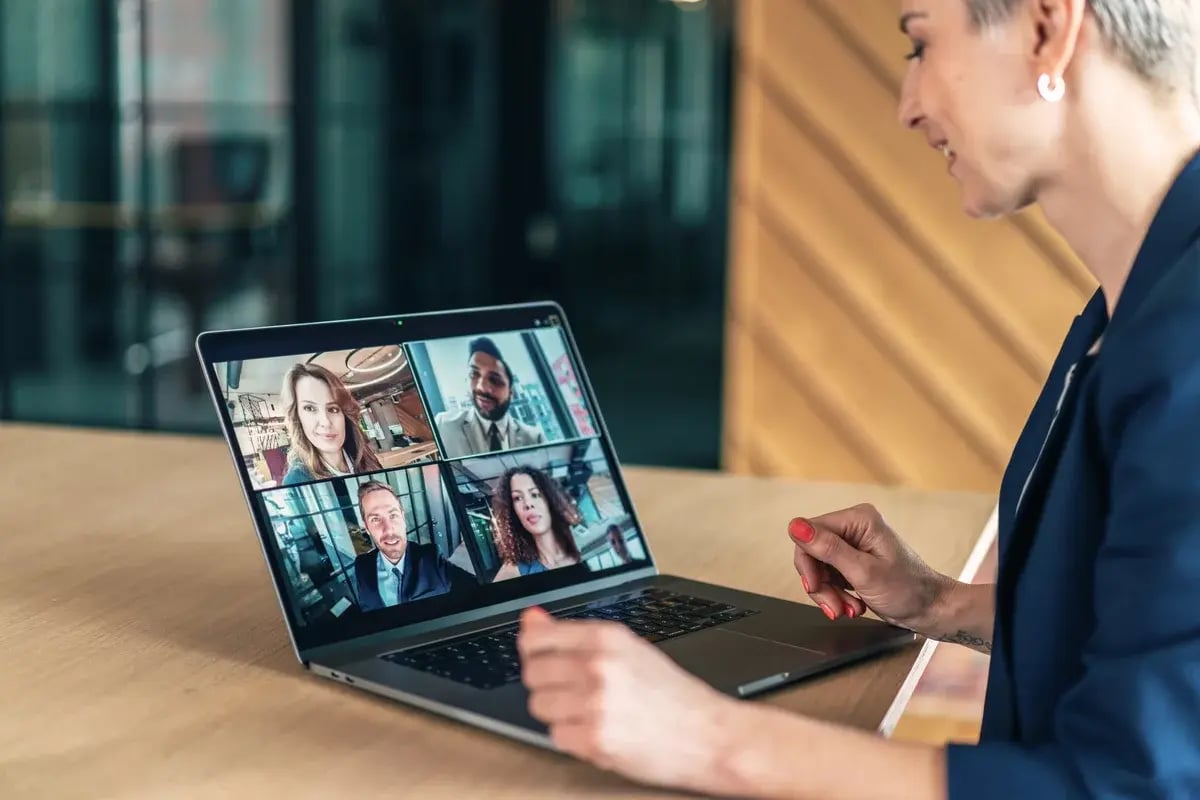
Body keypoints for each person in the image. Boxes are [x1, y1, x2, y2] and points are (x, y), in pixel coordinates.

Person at [516, 1, 1200, 797]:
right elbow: (1134, 628)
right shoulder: (1130, 305)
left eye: (920, 45)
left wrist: (706, 738)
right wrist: (942, 603)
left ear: (1047, 30)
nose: (908, 105)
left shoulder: (1183, 340)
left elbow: (1134, 785)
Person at [352, 480, 475, 610]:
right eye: (375, 519)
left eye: (393, 515)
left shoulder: (431, 557)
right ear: (367, 527)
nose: (388, 529)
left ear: (403, 518)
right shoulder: (362, 565)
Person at [434, 337, 547, 459]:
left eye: (495, 380)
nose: (481, 387)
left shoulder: (535, 439)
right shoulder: (443, 426)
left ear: (511, 392)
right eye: (474, 374)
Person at [279, 362, 383, 485]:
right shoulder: (297, 481)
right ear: (297, 416)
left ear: (345, 415)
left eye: (333, 409)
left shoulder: (364, 457)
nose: (325, 422)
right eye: (310, 408)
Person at [489, 466, 583, 581]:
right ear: (513, 512)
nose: (528, 504)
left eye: (535, 494)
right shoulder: (513, 571)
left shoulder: (583, 548)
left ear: (550, 500)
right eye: (518, 498)